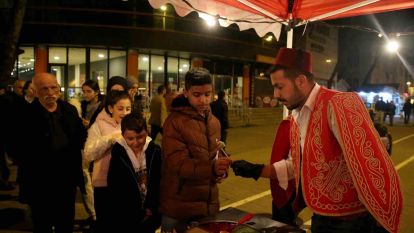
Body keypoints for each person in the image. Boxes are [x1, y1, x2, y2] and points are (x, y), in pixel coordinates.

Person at [231, 48, 403, 233]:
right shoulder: (298, 116)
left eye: (279, 86)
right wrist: (258, 170)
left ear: (301, 81)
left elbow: (371, 164)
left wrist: (381, 221)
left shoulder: (339, 103)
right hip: (321, 218)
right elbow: (301, 165)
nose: (275, 95)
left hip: (353, 223)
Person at [160, 68, 232, 233]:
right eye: (197, 94)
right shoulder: (174, 122)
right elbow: (177, 164)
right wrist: (212, 168)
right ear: (186, 92)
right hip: (179, 207)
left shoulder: (214, 122)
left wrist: (221, 169)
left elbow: (215, 154)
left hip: (208, 205)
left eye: (207, 94)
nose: (203, 100)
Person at [17, 73, 86, 233]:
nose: (50, 92)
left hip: (66, 178)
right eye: (44, 89)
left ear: (59, 88)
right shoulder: (26, 115)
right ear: (34, 91)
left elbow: (80, 138)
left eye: (54, 87)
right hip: (39, 180)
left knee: (66, 222)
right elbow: (17, 146)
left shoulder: (69, 110)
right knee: (42, 223)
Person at [84, 90, 132, 233]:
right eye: (120, 108)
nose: (125, 113)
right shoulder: (99, 125)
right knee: (106, 223)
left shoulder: (133, 125)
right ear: (111, 108)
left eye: (128, 109)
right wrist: (110, 138)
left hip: (128, 182)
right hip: (104, 182)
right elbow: (88, 154)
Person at [107, 114, 162, 233]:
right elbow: (116, 187)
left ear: (147, 132)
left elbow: (158, 181)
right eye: (130, 139)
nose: (136, 142)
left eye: (140, 137)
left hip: (151, 211)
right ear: (123, 136)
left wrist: (151, 207)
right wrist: (135, 212)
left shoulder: (154, 151)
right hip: (127, 214)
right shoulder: (118, 154)